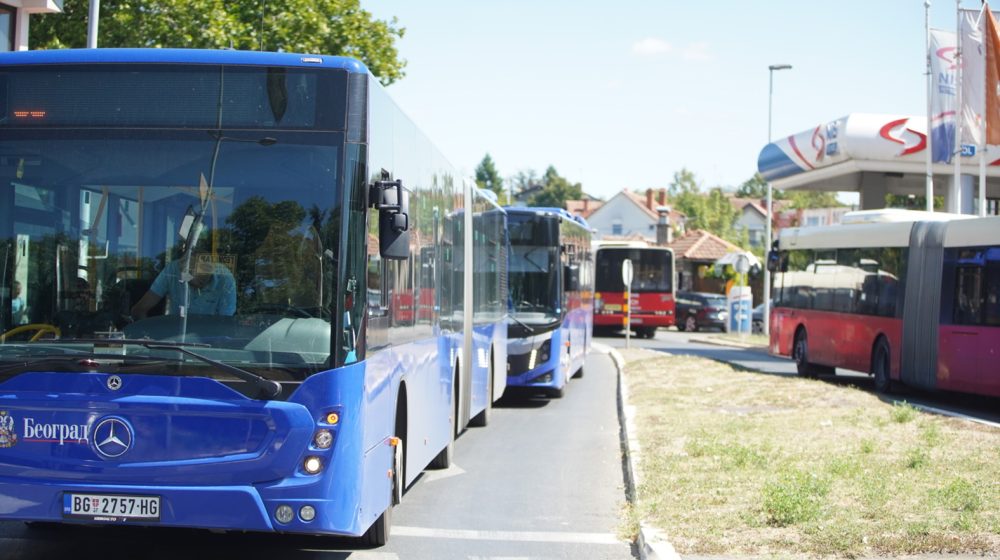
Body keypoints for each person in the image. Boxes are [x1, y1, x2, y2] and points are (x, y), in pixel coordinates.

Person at [130, 257, 236, 319]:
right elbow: (139, 310)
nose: (199, 284)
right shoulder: (172, 271)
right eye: (191, 276)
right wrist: (149, 340)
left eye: (204, 278)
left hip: (209, 347)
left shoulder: (224, 278)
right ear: (183, 271)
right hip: (175, 342)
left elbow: (225, 322)